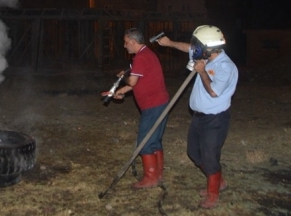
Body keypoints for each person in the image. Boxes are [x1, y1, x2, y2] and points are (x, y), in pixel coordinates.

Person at [156, 25, 238, 209]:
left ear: (209, 47)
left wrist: (201, 71)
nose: (194, 48)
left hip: (215, 120)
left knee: (210, 157)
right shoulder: (203, 55)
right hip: (198, 118)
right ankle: (218, 182)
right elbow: (187, 48)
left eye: (198, 44)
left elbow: (214, 92)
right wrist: (170, 43)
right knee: (194, 153)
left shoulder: (226, 67)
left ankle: (213, 195)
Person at [102, 28, 170, 189]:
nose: (125, 46)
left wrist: (122, 77)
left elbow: (132, 81)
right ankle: (158, 175)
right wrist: (119, 91)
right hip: (159, 103)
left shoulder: (141, 57)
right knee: (155, 141)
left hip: (153, 105)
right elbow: (138, 82)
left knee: (145, 142)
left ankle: (151, 178)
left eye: (126, 42)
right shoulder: (147, 54)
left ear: (133, 41)